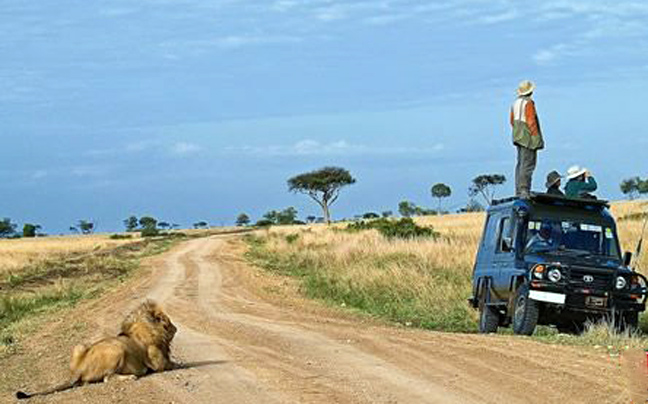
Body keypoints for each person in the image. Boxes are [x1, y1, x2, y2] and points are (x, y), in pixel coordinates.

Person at [510, 80, 544, 199]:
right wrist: (535, 138)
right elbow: (531, 121)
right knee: (528, 164)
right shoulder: (528, 103)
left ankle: (519, 190)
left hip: (517, 135)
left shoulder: (515, 103)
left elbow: (512, 121)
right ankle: (524, 191)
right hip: (527, 136)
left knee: (520, 164)